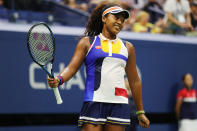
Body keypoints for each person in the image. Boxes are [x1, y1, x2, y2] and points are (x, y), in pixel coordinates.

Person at [48, 2, 150, 131]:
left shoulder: (128, 47)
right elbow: (71, 68)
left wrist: (140, 111)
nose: (120, 22)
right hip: (94, 102)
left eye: (123, 20)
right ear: (104, 18)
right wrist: (59, 79)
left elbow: (134, 81)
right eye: (116, 18)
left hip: (119, 104)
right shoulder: (87, 42)